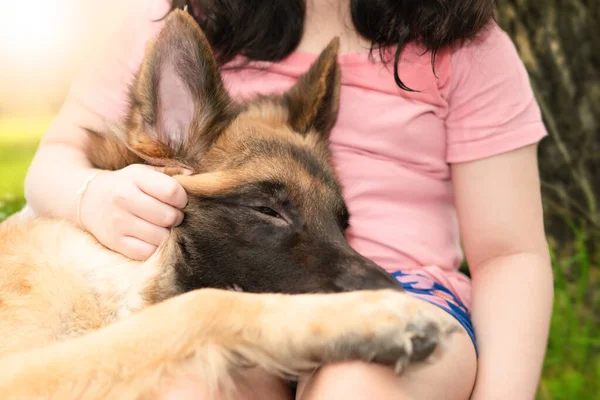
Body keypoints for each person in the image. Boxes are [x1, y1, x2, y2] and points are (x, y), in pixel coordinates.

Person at [23, 0, 554, 399]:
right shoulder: (176, 16)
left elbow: (510, 254)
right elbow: (56, 158)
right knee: (185, 381)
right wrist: (91, 193)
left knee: (357, 381)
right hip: (219, 293)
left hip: (402, 289)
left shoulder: (466, 46)